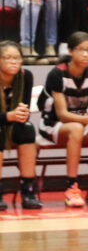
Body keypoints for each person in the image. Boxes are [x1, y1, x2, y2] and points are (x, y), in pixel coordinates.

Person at [36, 32, 88, 206]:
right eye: (81, 50)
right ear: (70, 51)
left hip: (80, 123)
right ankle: (72, 188)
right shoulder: (57, 74)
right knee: (76, 128)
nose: (85, 54)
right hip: (52, 125)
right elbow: (62, 115)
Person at [0, 41, 41, 209]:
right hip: (3, 122)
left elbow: (24, 111)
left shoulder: (25, 76)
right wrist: (9, 116)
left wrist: (22, 114)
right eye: (8, 58)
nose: (13, 62)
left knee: (27, 129)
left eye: (17, 58)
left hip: (11, 123)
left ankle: (28, 191)